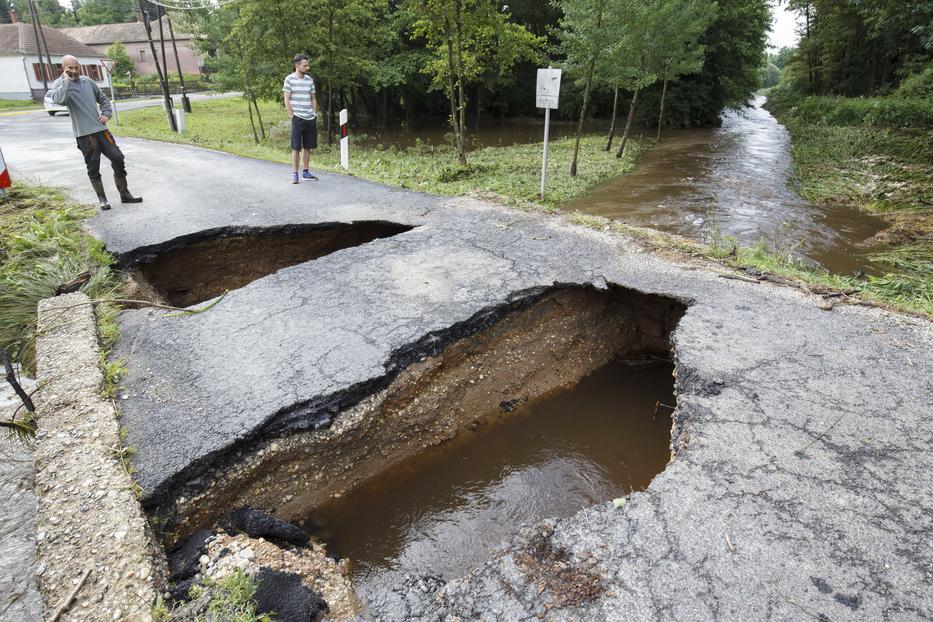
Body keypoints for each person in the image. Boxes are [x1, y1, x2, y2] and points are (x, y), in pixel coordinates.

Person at [47, 55, 142, 211]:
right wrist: (66, 80)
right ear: (63, 68)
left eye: (76, 67)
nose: (75, 71)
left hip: (101, 130)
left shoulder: (87, 81)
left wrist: (106, 114)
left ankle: (125, 194)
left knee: (118, 158)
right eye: (70, 68)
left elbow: (103, 99)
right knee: (93, 167)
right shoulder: (59, 84)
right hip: (84, 135)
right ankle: (102, 199)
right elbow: (60, 100)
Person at [283, 53, 319, 184]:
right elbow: (286, 98)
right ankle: (294, 174)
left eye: (307, 65)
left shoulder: (309, 80)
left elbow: (313, 98)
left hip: (310, 117)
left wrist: (315, 114)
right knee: (296, 147)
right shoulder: (289, 79)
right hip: (297, 117)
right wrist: (291, 115)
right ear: (297, 65)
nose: (307, 67)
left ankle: (305, 172)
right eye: (305, 65)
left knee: (307, 146)